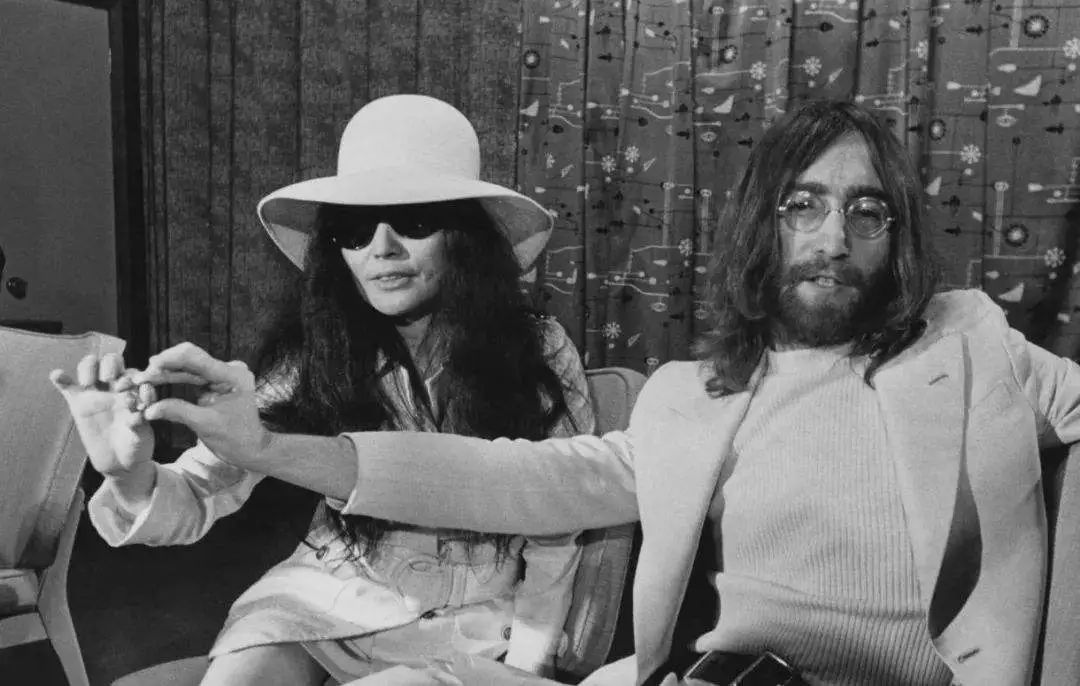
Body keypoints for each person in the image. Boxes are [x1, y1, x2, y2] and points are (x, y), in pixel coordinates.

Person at [59, 98, 1080, 685]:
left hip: (481, 628)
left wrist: (540, 657)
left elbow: (550, 531)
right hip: (341, 598)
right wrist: (174, 462)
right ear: (760, 231)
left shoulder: (974, 344)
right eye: (801, 205)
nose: (833, 237)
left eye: (867, 211)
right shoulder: (692, 395)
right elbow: (518, 481)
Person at [50, 94, 596, 686]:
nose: (381, 248)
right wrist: (127, 474)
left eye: (414, 222)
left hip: (474, 626)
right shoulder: (318, 353)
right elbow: (202, 489)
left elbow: (559, 524)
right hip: (323, 603)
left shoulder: (538, 349)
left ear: (465, 237)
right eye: (355, 231)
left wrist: (528, 669)